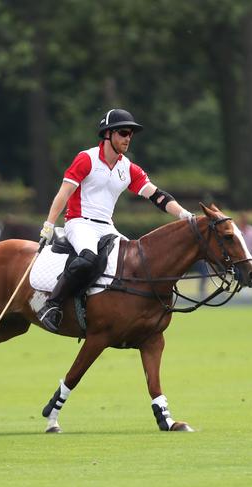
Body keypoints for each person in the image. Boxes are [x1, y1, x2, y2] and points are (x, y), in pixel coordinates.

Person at [37, 108, 193, 332]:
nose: (128, 138)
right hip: (79, 222)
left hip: (107, 226)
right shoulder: (86, 158)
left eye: (130, 134)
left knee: (135, 262)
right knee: (88, 258)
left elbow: (157, 196)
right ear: (107, 134)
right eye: (123, 132)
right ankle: (52, 305)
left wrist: (183, 214)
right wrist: (48, 226)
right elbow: (63, 194)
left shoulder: (127, 168)